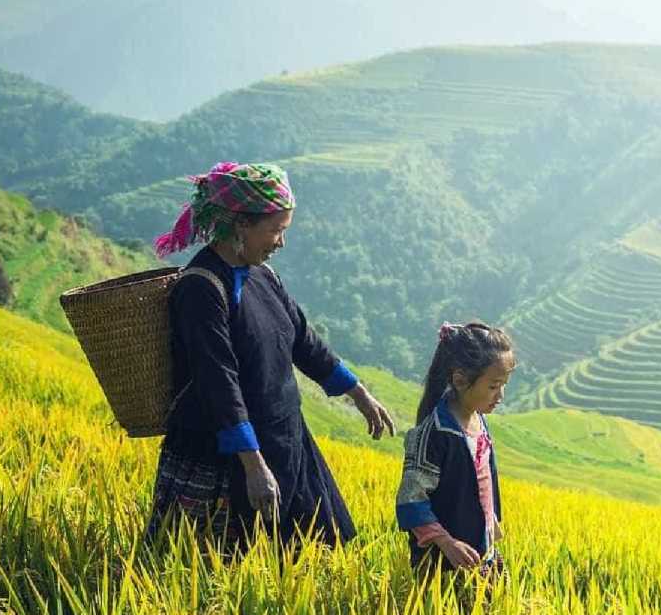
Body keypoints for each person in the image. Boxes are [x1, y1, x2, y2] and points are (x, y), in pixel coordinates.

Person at [143, 161, 395, 552]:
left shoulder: (263, 275)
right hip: (226, 455)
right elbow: (218, 381)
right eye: (276, 230)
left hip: (286, 441)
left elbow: (303, 342)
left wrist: (359, 394)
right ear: (242, 224)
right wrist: (253, 465)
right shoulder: (201, 287)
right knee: (217, 566)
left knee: (321, 552)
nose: (281, 242)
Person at [395, 321, 515, 579]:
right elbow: (411, 499)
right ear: (460, 380)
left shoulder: (479, 422)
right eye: (493, 386)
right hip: (443, 566)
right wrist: (447, 543)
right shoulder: (434, 433)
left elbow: (482, 480)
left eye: (504, 384)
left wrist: (491, 519)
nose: (500, 395)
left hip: (480, 555)